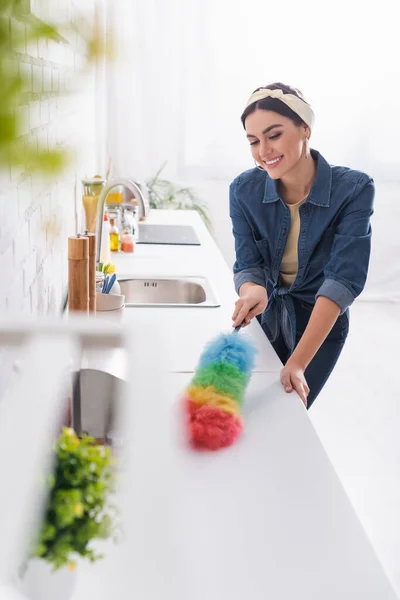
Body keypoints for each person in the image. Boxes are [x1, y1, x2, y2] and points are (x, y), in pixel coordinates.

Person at [230, 82, 374, 408]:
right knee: (249, 416)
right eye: (253, 141)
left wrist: (298, 361)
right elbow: (248, 262)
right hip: (267, 320)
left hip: (320, 330)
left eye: (274, 135)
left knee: (287, 418)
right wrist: (252, 290)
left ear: (304, 128)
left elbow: (342, 280)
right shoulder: (243, 190)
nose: (263, 150)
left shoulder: (353, 189)